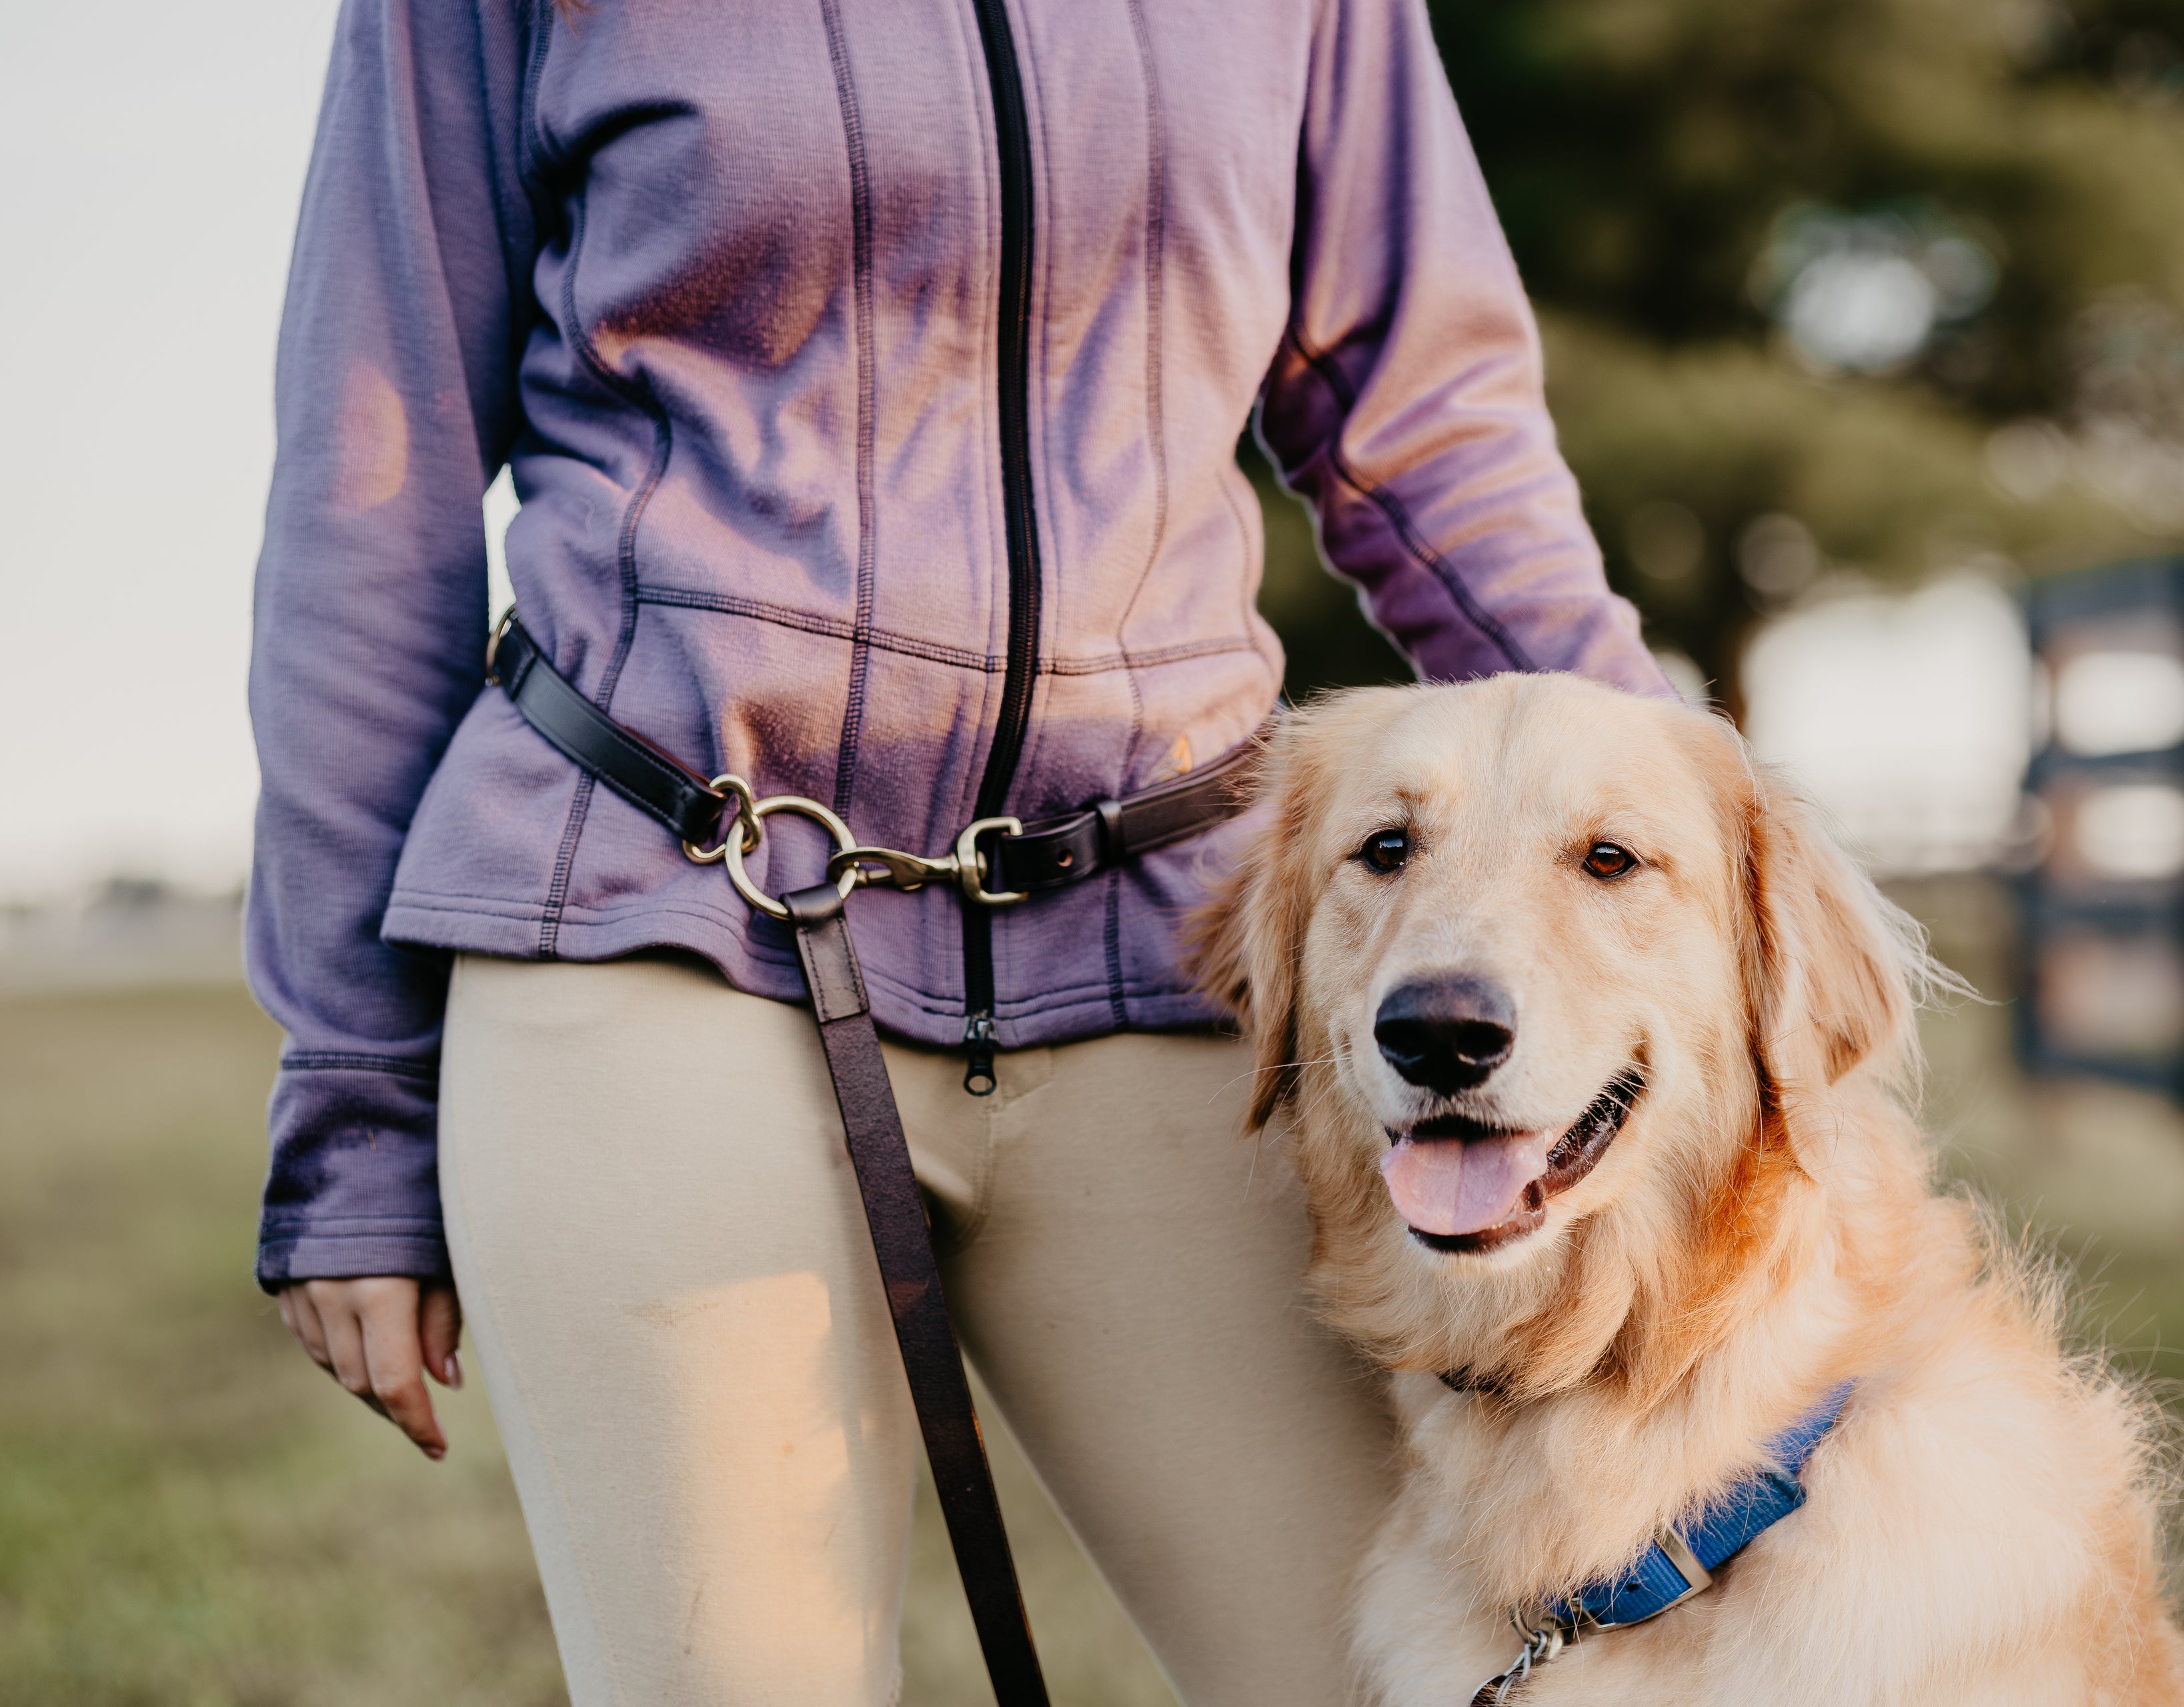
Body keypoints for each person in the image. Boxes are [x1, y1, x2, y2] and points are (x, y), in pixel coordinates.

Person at [249, 0, 1665, 1700]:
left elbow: (1431, 437)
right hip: (664, 895)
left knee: (1435, 1677)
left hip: (1164, 928)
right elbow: (372, 480)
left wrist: (1700, 858)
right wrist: (357, 1089)